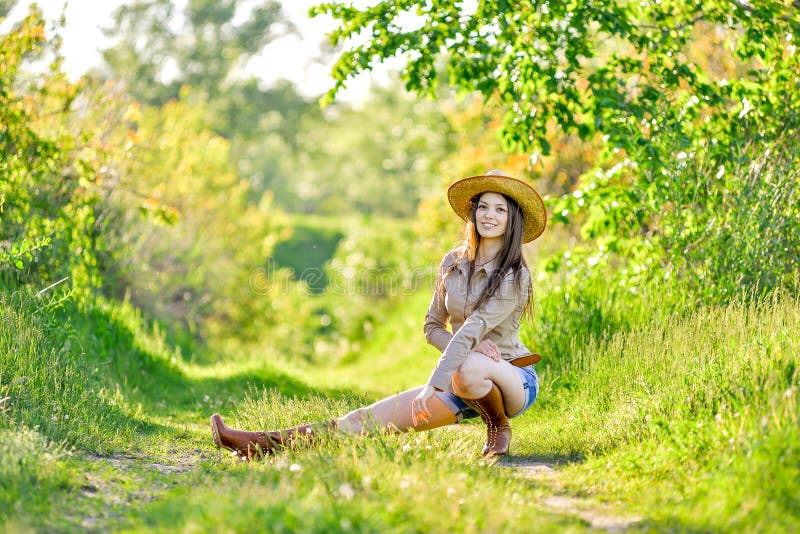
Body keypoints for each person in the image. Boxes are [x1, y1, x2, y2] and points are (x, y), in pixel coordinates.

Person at [211, 169, 547, 459]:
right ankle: (258, 445)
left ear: (512, 218)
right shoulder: (452, 262)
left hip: (512, 379)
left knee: (470, 367)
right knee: (361, 421)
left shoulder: (515, 276)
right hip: (461, 379)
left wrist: (436, 382)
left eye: (500, 209)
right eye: (483, 207)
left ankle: (498, 425)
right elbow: (432, 327)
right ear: (473, 213)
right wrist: (467, 352)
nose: (489, 215)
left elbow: (472, 328)